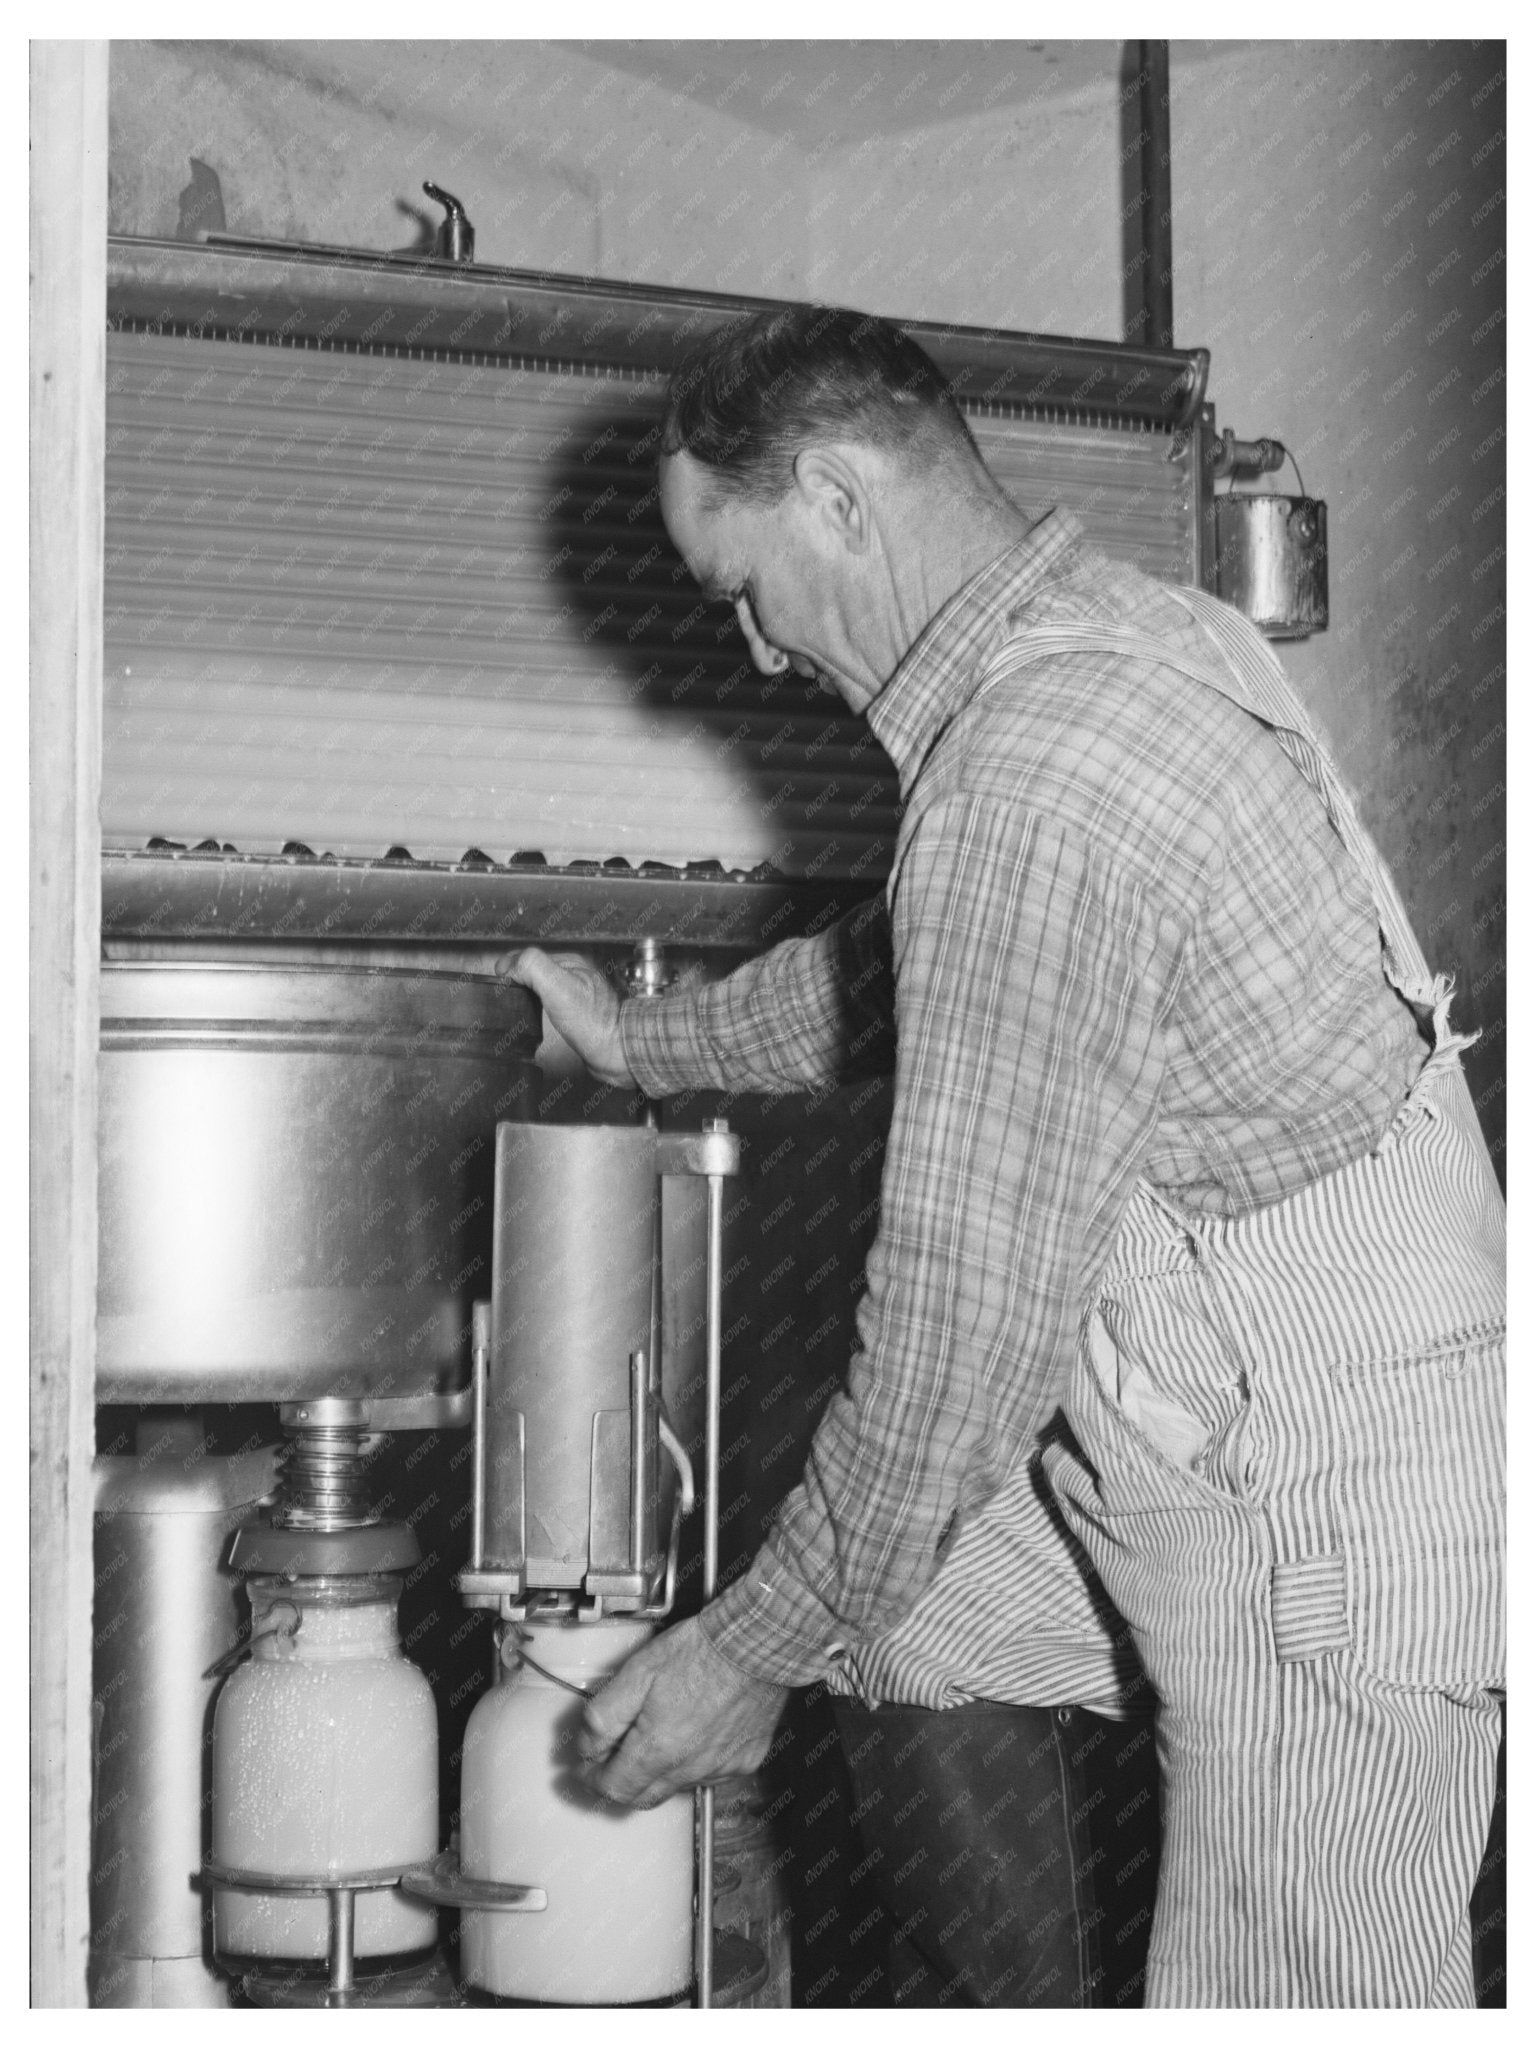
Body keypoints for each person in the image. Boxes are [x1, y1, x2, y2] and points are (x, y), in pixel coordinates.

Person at [502, 305, 1504, 2008]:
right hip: (1216, 1426)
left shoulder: (1031, 774)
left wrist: (737, 1654)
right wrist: (640, 1044)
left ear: (835, 493)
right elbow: (923, 977)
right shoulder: (1124, 638)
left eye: (742, 588)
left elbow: (958, 1350)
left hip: (1330, 1516)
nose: (751, 653)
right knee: (900, 1610)